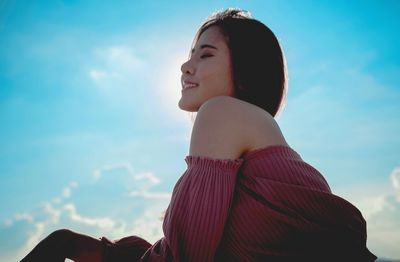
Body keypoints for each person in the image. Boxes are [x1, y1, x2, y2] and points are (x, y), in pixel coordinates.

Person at [21, 8, 377, 262]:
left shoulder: (221, 111)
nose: (185, 65)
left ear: (247, 72)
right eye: (190, 54)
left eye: (205, 55)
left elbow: (188, 256)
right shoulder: (253, 129)